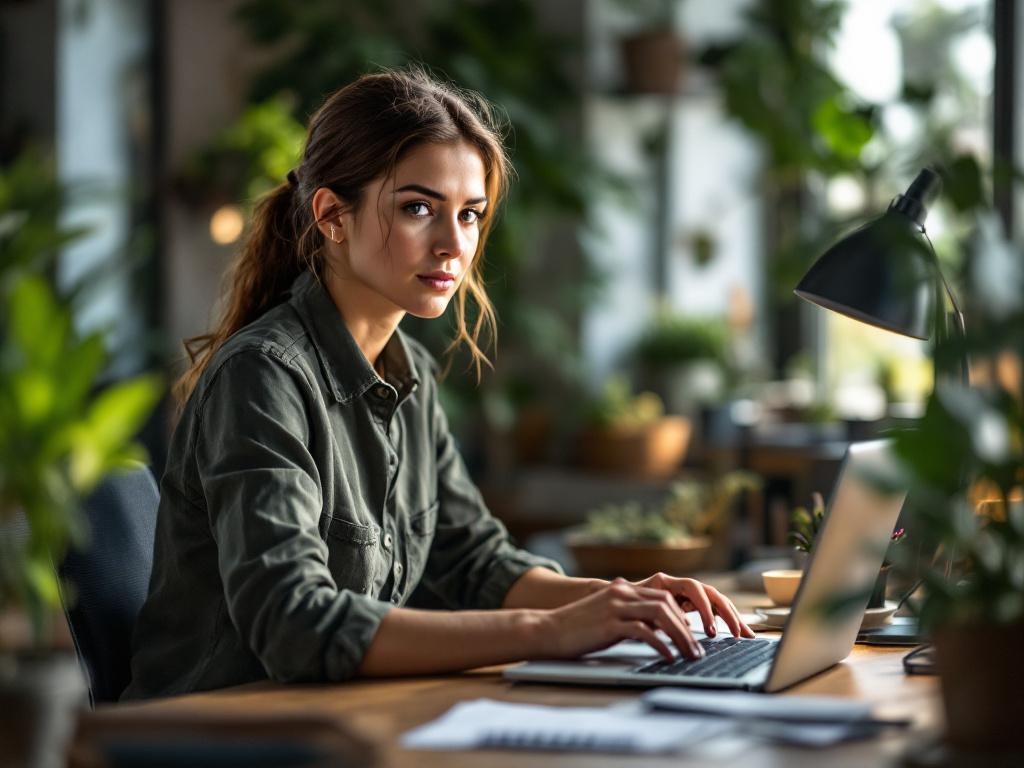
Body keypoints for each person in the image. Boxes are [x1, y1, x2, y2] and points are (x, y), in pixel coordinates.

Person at [123, 69, 753, 700]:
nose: (454, 244)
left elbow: (475, 561)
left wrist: (619, 602)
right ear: (332, 216)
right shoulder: (263, 377)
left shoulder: (410, 376)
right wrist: (546, 630)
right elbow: (295, 624)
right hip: (216, 734)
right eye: (418, 208)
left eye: (471, 214)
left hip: (335, 719)